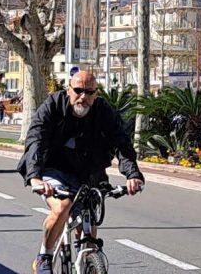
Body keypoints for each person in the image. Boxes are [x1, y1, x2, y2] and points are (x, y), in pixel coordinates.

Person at [18, 70, 144, 274]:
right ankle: (44, 256)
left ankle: (89, 263)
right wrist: (35, 178)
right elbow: (36, 139)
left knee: (88, 227)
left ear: (96, 93)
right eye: (78, 90)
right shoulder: (53, 105)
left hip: (88, 174)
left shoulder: (103, 110)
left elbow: (121, 141)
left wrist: (133, 174)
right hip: (52, 170)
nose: (83, 97)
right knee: (62, 207)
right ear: (68, 90)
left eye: (89, 92)